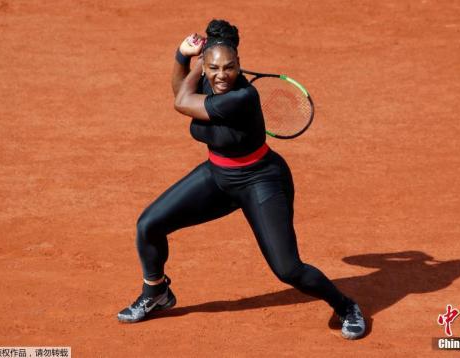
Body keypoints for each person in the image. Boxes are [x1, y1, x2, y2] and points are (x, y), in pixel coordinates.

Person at [117, 19, 366, 340]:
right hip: (218, 177)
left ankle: (346, 306)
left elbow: (181, 101)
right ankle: (156, 293)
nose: (223, 75)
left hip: (261, 181)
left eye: (230, 67)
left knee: (288, 269)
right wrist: (184, 58)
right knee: (148, 225)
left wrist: (196, 60)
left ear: (239, 66)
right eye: (215, 68)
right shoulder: (211, 80)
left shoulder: (242, 96)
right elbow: (181, 90)